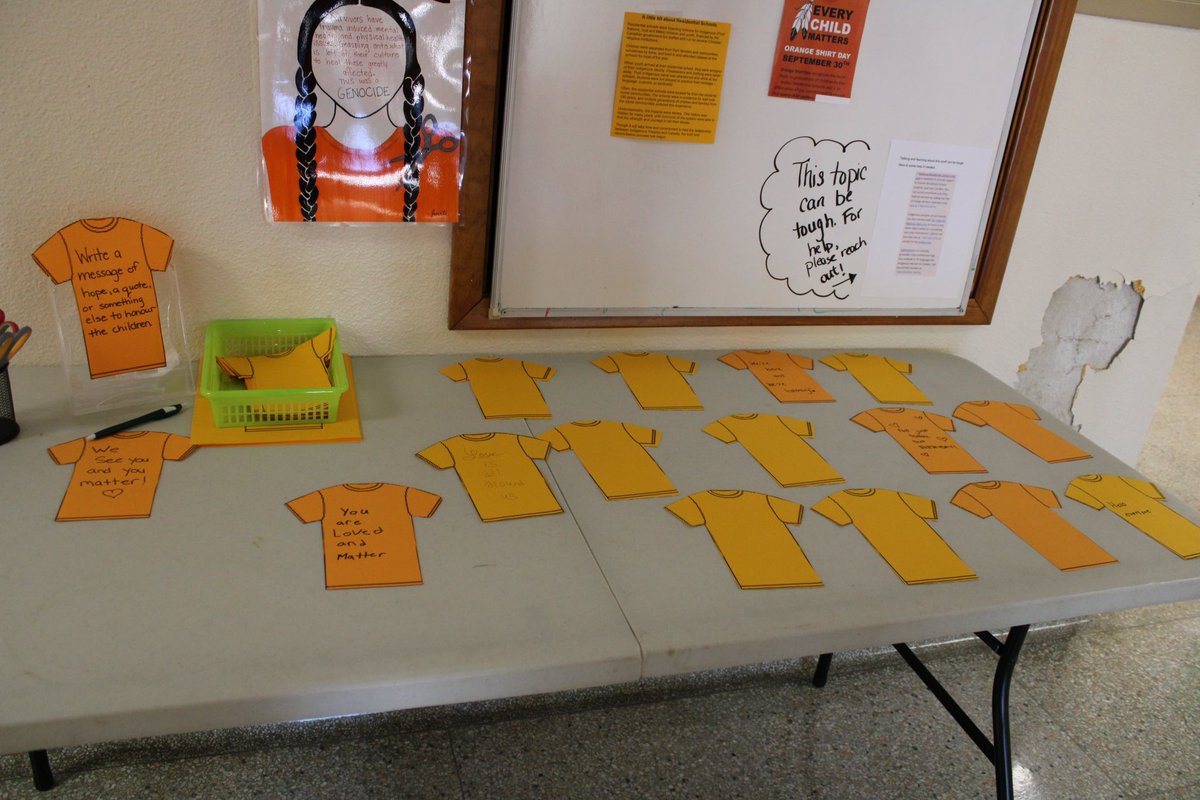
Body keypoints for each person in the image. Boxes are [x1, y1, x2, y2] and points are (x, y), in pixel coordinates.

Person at [261, 0, 460, 222]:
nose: (361, 68)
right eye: (336, 51)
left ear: (408, 67)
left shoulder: (441, 152)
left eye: (382, 49)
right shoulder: (279, 146)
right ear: (310, 66)